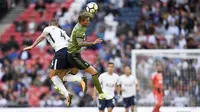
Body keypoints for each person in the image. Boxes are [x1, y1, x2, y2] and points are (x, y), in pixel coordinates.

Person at [23, 19, 86, 106]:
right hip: (70, 52)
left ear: (50, 24)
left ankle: (69, 92)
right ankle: (78, 81)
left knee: (52, 75)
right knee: (61, 76)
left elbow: (42, 36)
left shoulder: (48, 28)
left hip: (61, 52)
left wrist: (32, 45)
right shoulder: (62, 31)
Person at [67, 12, 106, 99]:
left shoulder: (79, 25)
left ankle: (62, 78)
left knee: (74, 72)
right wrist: (93, 42)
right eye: (87, 20)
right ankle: (101, 93)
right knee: (94, 72)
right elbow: (80, 43)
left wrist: (90, 13)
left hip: (74, 54)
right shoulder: (80, 29)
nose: (89, 22)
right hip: (73, 55)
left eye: (89, 20)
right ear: (82, 21)